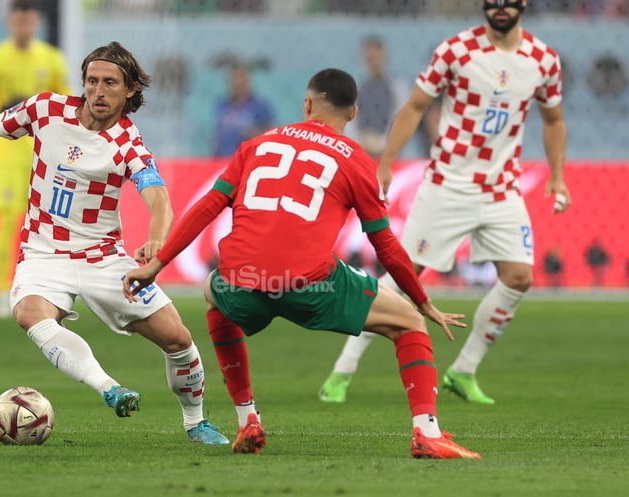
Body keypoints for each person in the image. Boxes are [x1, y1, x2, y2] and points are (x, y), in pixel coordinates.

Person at [123, 68, 481, 459]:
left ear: (307, 104)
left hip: (243, 282)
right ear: (354, 113)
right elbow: (384, 243)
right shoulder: (355, 160)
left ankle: (247, 419)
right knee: (408, 322)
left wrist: (157, 264)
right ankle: (426, 432)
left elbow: (207, 206)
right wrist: (422, 301)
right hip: (312, 287)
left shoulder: (256, 145)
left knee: (213, 290)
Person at [0, 41, 229, 446]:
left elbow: (158, 197)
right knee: (30, 313)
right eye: (92, 81)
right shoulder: (47, 110)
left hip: (103, 258)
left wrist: (155, 240)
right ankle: (109, 388)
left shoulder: (128, 143)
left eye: (110, 83)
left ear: (130, 90)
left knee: (178, 339)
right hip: (44, 252)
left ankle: (196, 422)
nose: (98, 91)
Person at [319, 0, 571, 406]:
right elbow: (416, 106)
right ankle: (342, 370)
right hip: (447, 184)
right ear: (483, 5)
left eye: (508, 0)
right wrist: (388, 162)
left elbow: (553, 120)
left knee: (519, 277)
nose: (500, 8)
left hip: (501, 189)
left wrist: (557, 174)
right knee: (404, 277)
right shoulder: (456, 51)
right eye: (492, 1)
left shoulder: (543, 61)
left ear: (522, 4)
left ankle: (464, 370)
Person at [0, 0, 70, 318]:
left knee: (49, 220)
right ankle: (1, 291)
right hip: (8, 148)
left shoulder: (51, 59)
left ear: (36, 22)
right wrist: (3, 106)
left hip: (43, 149)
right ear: (10, 22)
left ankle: (50, 288)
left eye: (29, 20)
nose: (24, 26)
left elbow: (64, 100)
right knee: (10, 219)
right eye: (18, 20)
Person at [213, 62, 274, 157]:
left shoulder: (260, 107)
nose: (238, 82)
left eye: (242, 78)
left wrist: (251, 133)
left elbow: (270, 133)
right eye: (234, 78)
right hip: (223, 158)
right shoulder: (223, 105)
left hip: (247, 158)